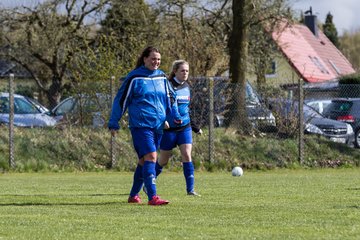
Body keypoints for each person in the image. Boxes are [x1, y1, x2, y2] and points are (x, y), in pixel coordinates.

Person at [108, 46, 181, 206]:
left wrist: (174, 116)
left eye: (159, 60)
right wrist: (114, 121)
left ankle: (133, 195)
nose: (156, 62)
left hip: (158, 125)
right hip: (140, 126)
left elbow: (171, 97)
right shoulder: (134, 78)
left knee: (143, 161)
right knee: (151, 157)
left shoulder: (162, 77)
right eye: (153, 59)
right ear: (145, 59)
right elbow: (121, 100)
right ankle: (152, 197)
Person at [151, 60, 202, 196]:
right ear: (175, 71)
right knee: (163, 160)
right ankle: (149, 182)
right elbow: (159, 106)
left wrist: (195, 127)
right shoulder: (166, 86)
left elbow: (187, 110)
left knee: (186, 154)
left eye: (187, 71)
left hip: (184, 128)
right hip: (168, 129)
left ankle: (190, 189)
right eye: (182, 71)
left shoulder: (187, 86)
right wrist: (162, 121)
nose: (185, 73)